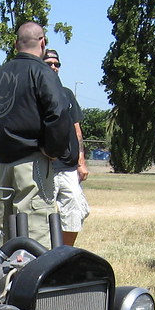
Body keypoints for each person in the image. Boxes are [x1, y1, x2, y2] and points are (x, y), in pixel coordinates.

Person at [0, 22, 72, 248]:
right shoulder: (43, 72)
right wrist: (52, 150)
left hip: (2, 166)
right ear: (43, 42)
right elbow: (59, 112)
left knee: (2, 231)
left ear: (16, 44)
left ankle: (1, 281)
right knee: (35, 231)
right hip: (32, 164)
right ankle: (30, 280)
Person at [43, 49, 90, 246]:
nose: (54, 67)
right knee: (40, 215)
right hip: (46, 167)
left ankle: (63, 254)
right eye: (49, 63)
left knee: (76, 210)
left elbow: (76, 130)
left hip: (69, 167)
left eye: (57, 64)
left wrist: (81, 161)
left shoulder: (68, 94)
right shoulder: (37, 93)